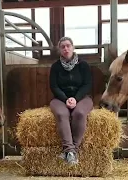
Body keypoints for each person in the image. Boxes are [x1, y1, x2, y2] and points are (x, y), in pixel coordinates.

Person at [49, 37, 93, 165]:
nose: (65, 48)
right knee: (62, 114)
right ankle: (70, 151)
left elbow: (87, 84)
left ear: (73, 47)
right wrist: (65, 99)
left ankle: (71, 151)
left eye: (68, 46)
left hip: (82, 97)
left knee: (79, 113)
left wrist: (76, 98)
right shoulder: (56, 67)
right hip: (60, 98)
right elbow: (54, 86)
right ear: (60, 50)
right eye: (62, 47)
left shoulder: (83, 65)